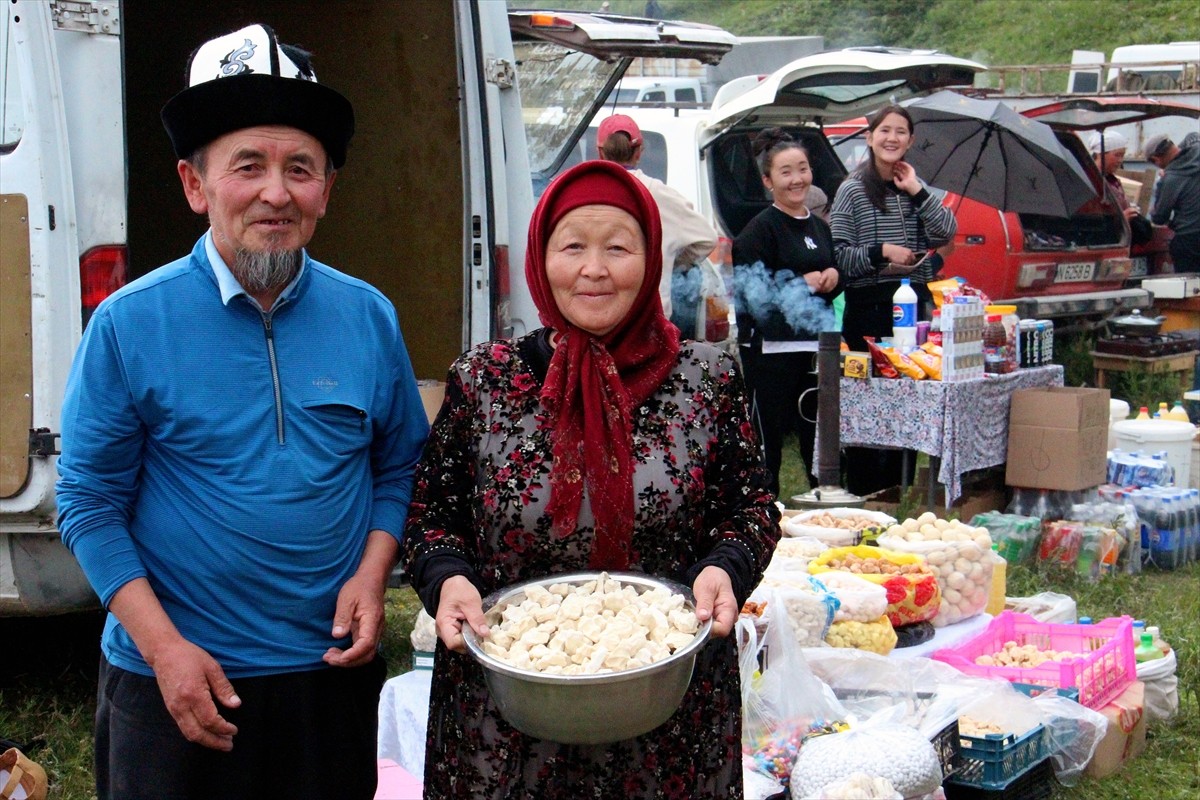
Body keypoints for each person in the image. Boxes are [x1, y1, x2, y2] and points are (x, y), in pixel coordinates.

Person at [55, 24, 429, 800]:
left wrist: (372, 569)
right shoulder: (129, 323)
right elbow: (88, 503)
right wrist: (164, 651)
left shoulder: (368, 318)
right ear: (195, 185)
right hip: (178, 679)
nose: (276, 192)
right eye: (248, 166)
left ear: (326, 189)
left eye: (301, 168)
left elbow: (399, 463)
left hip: (329, 677)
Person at [402, 159, 780, 799]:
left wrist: (726, 568)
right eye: (572, 245)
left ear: (652, 257)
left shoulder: (707, 379)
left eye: (619, 247)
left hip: (668, 707)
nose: (594, 269)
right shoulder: (484, 380)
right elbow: (430, 514)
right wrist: (448, 579)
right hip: (508, 710)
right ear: (540, 258)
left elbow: (751, 508)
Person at [830, 105, 956, 497]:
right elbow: (839, 257)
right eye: (885, 131)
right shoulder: (852, 190)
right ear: (869, 138)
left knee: (908, 396)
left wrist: (917, 192)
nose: (892, 139)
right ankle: (866, 492)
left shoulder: (914, 187)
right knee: (870, 402)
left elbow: (947, 230)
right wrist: (883, 250)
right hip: (868, 307)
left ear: (910, 141)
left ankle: (896, 490)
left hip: (913, 305)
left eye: (901, 132)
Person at [732, 128, 841, 495]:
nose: (797, 179)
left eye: (803, 169)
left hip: (814, 351)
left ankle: (822, 505)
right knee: (768, 444)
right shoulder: (756, 233)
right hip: (770, 353)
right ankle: (764, 511)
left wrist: (833, 276)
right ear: (768, 180)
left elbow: (832, 282)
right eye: (785, 171)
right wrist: (801, 283)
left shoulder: (819, 228)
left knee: (818, 437)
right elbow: (752, 300)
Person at [596, 114, 718, 319]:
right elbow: (707, 238)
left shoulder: (586, 190)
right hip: (649, 322)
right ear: (639, 152)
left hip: (595, 314)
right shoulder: (659, 194)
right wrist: (670, 259)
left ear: (600, 152)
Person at [1144, 131, 1200, 271]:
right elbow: (1193, 135)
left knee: (1190, 288)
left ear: (1156, 159)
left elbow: (1159, 217)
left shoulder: (1170, 179)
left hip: (1189, 239)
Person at [1088, 130, 1154, 247]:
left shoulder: (1113, 181)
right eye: (1117, 155)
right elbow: (1091, 218)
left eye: (1122, 155)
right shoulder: (1090, 179)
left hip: (1119, 241)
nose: (1120, 160)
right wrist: (1121, 219)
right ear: (1100, 154)